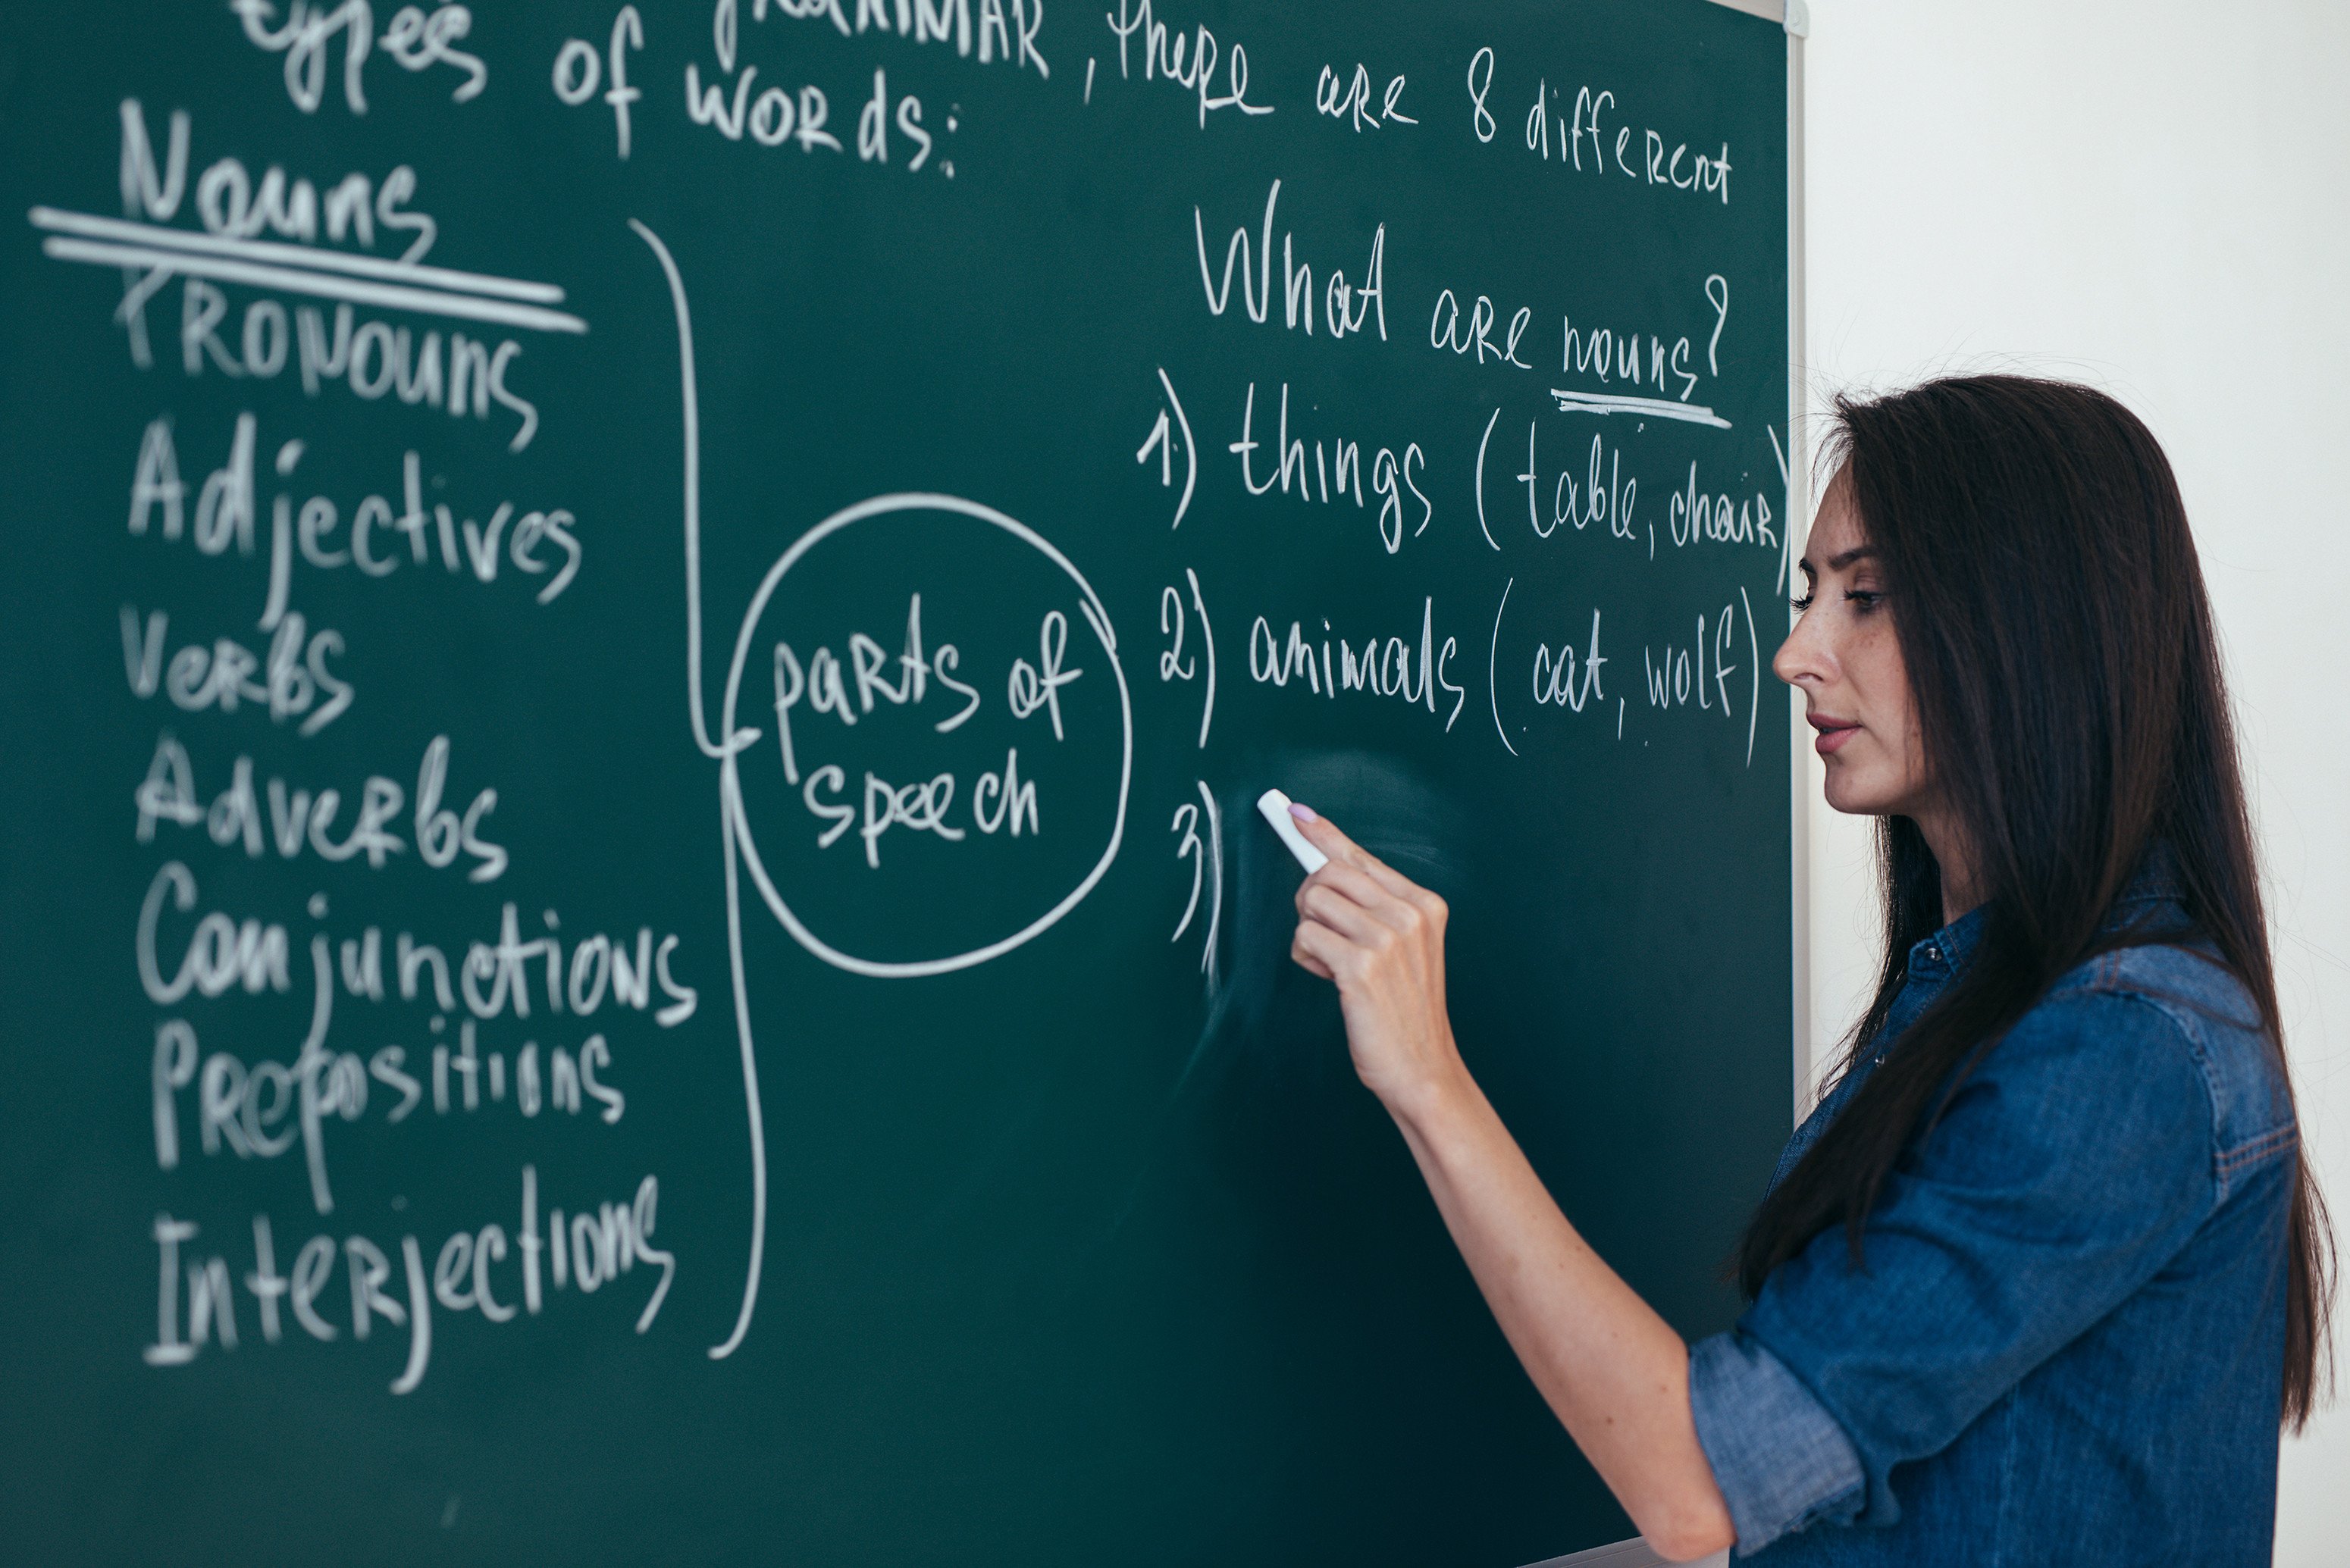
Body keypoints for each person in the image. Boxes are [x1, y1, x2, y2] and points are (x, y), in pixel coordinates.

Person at [1282, 376, 2333, 1563]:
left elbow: (1702, 1484)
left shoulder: (2119, 1054)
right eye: (1808, 594)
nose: (1793, 654)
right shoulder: (1985, 999)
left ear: (2037, 626)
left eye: (1866, 597)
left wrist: (1430, 1079)